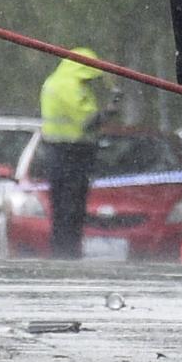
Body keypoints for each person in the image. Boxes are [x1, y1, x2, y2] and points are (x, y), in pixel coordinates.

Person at [39, 47, 117, 259]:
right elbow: (88, 122)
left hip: (55, 152)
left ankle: (60, 250)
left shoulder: (53, 81)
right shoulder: (71, 87)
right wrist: (108, 112)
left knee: (61, 206)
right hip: (73, 152)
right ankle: (68, 251)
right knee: (72, 207)